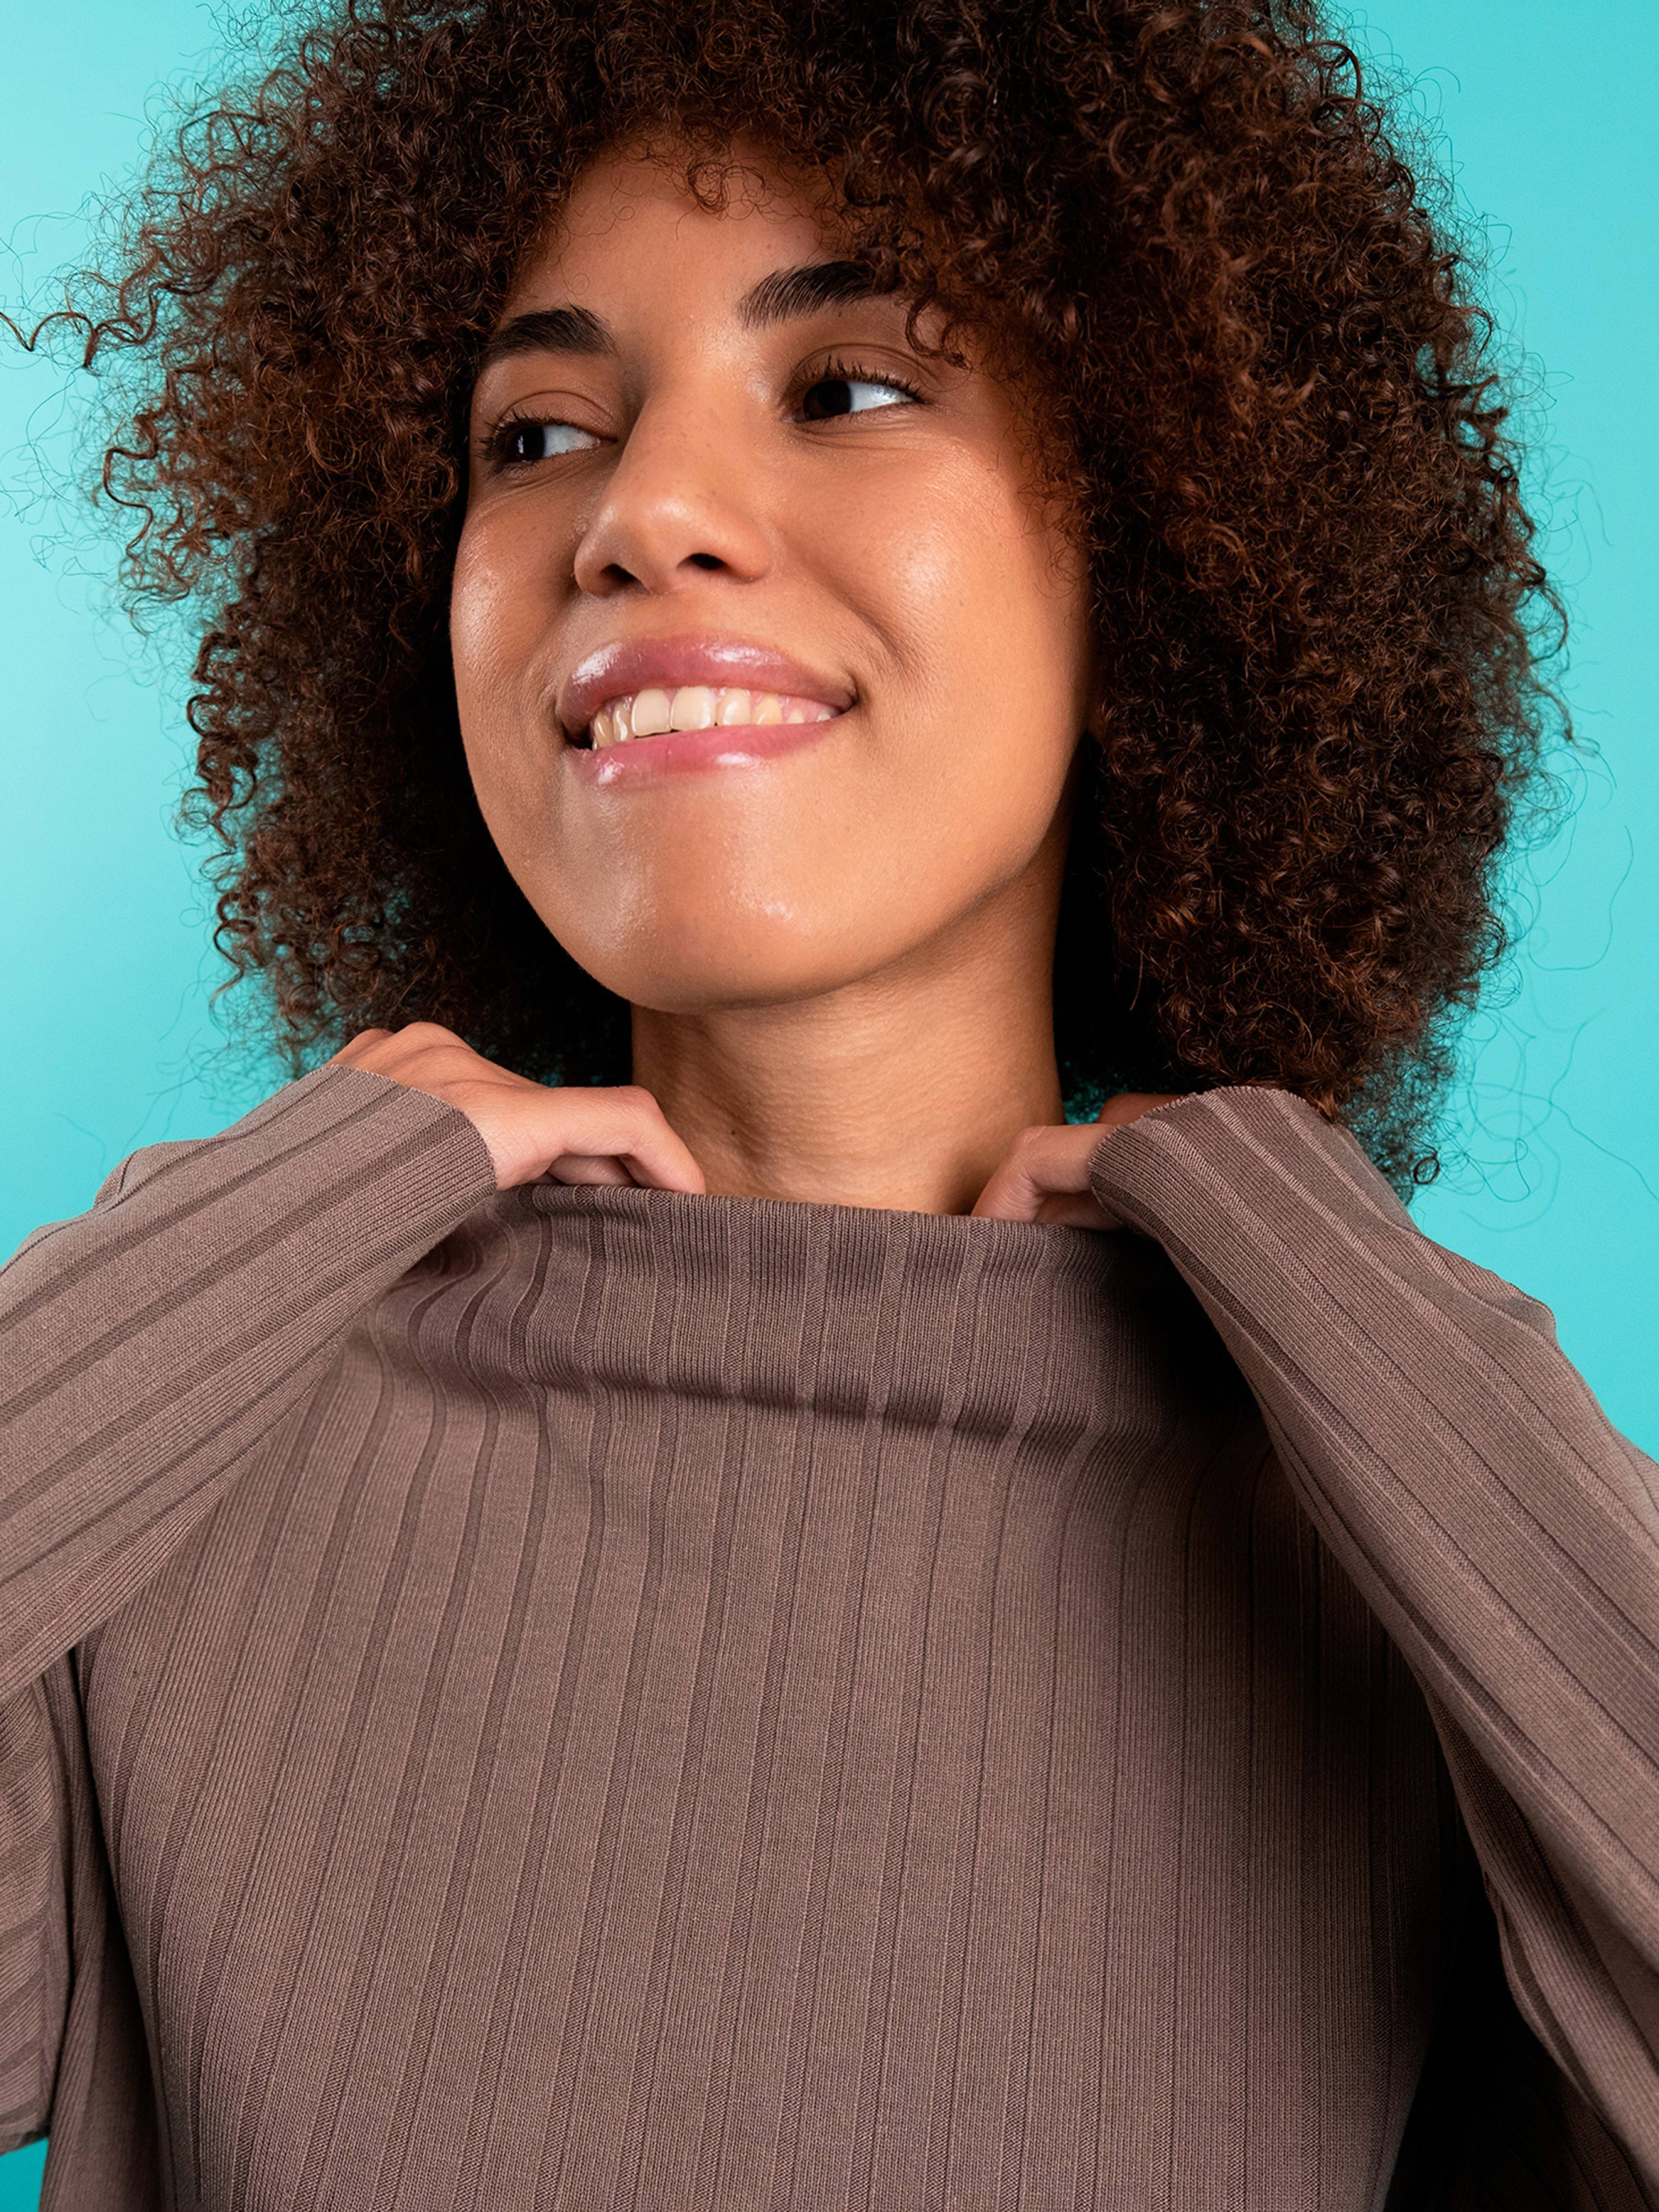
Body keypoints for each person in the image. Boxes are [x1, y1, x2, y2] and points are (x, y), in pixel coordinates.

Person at [2, 1, 1656, 2205]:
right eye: (535, 433)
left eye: (852, 387)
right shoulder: (182, 1454)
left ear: (1158, 532)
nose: (642, 517)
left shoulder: (1381, 1539)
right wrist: (249, 1229)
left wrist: (1339, 1292)